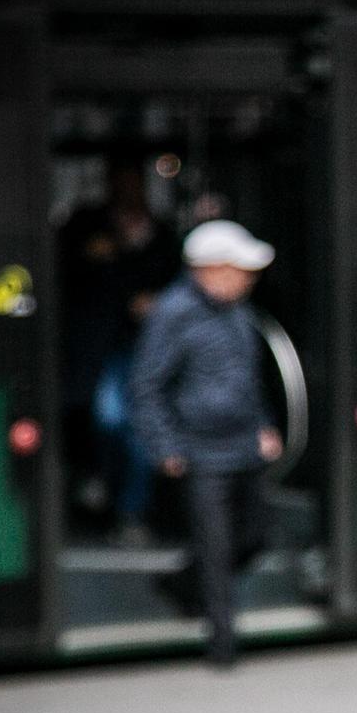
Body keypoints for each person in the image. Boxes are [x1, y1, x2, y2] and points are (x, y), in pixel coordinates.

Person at [130, 220, 281, 667]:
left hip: (244, 447)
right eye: (240, 269)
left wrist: (264, 426)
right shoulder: (173, 313)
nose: (248, 278)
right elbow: (146, 386)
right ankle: (223, 643)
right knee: (215, 547)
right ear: (209, 269)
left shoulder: (238, 313)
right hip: (200, 452)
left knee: (254, 536)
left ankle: (180, 583)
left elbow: (248, 380)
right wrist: (166, 447)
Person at [58, 152, 180, 544]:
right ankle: (103, 489)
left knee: (138, 427)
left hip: (147, 346)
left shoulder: (160, 233)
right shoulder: (88, 227)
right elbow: (69, 274)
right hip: (98, 345)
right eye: (121, 183)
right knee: (109, 419)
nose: (128, 191)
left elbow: (173, 282)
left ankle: (130, 510)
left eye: (135, 183)